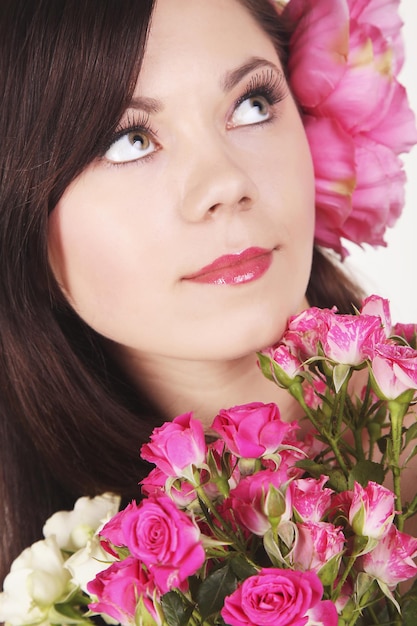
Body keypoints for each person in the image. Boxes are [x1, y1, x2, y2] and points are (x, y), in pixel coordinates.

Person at [0, 0, 413, 592]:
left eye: (252, 104)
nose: (226, 184)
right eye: (130, 139)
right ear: (20, 228)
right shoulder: (53, 584)